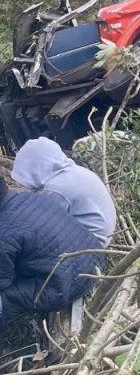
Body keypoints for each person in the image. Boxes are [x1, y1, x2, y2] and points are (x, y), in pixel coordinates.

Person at [0, 177, 105, 324]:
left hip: (64, 284)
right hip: (93, 259)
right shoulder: (28, 197)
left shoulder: (3, 232)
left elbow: (3, 283)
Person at [12, 138, 117, 247]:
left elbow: (36, 222)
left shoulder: (56, 189)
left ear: (33, 166)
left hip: (89, 246)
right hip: (103, 235)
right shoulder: (76, 171)